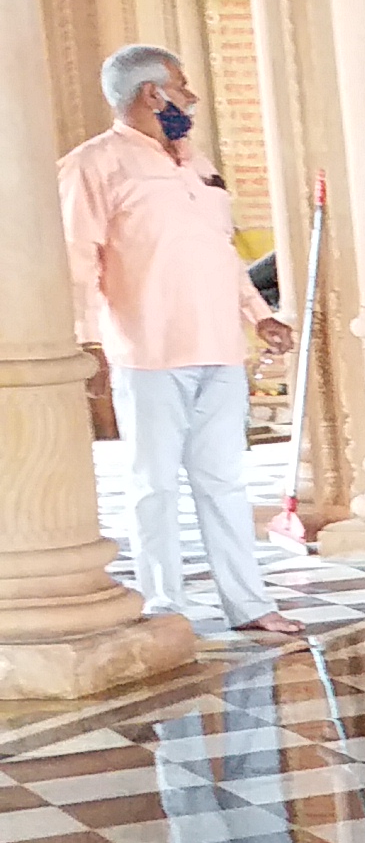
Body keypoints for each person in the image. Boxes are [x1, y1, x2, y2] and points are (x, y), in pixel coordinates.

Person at [59, 44, 301, 637]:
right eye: (182, 87)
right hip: (149, 350)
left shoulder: (194, 162)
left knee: (223, 481)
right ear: (151, 94)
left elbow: (219, 251)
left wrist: (257, 314)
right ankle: (165, 606)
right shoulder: (94, 165)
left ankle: (248, 604)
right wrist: (87, 344)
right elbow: (75, 260)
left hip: (218, 345)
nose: (190, 99)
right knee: (153, 484)